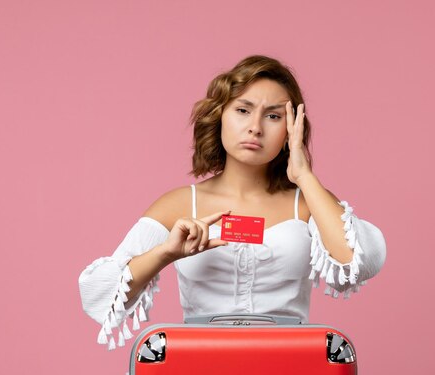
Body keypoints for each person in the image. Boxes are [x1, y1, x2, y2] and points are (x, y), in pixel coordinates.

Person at [78, 55, 387, 350]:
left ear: (291, 130)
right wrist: (165, 254)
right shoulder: (181, 204)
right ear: (220, 115)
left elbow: (359, 263)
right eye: (243, 110)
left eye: (273, 116)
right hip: (200, 367)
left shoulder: (307, 203)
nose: (255, 127)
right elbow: (100, 293)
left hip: (292, 367)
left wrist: (304, 175)